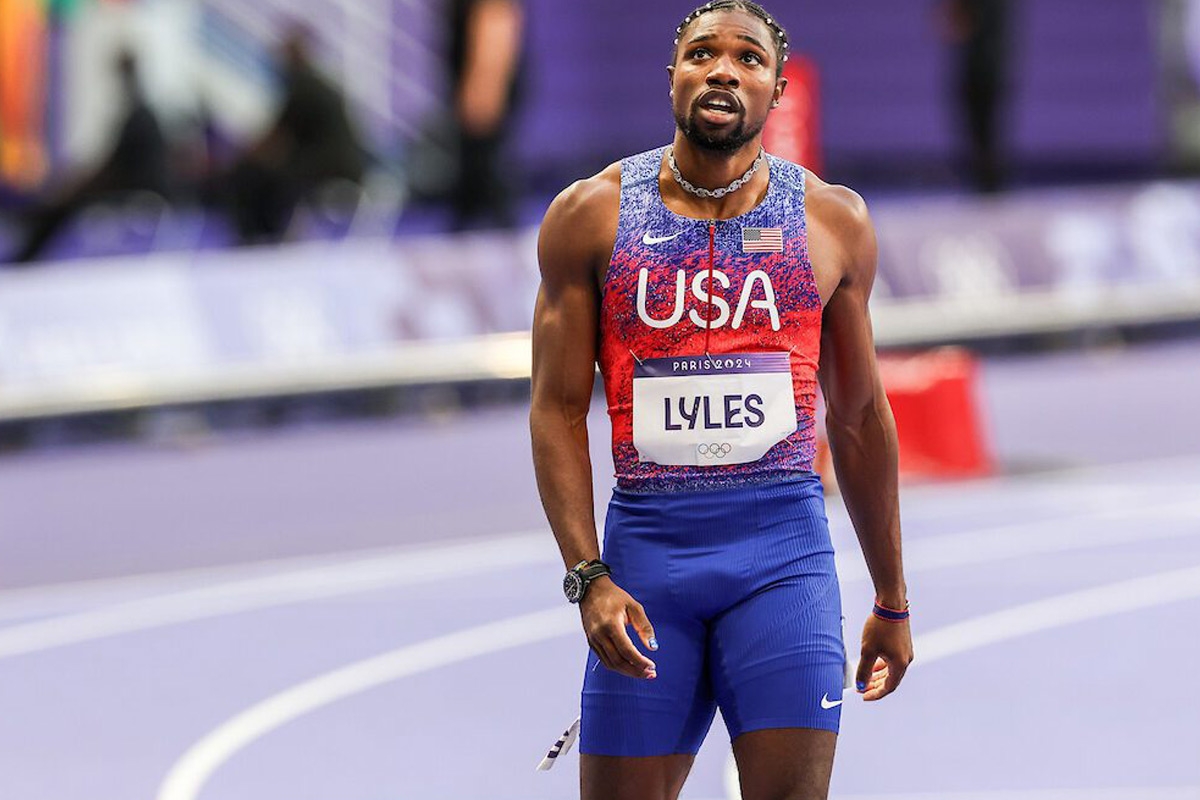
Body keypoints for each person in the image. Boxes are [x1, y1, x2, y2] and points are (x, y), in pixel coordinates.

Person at [529, 3, 913, 799]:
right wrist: (587, 576)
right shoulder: (591, 215)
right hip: (647, 561)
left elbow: (858, 417)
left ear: (777, 90)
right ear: (672, 76)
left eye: (749, 58)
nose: (724, 70)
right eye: (703, 53)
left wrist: (892, 599)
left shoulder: (831, 221)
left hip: (783, 560)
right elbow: (556, 410)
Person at [7, 48, 167, 264]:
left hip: (138, 191)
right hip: (133, 186)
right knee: (65, 199)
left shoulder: (139, 117)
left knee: (65, 204)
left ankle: (26, 257)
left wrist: (79, 185)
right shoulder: (139, 113)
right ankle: (28, 245)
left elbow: (115, 166)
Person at [224, 26, 366, 244]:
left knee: (249, 175)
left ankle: (260, 240)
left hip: (329, 170)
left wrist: (238, 158)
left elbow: (276, 138)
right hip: (341, 167)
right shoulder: (316, 84)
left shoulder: (303, 88)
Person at [447, 0, 524, 230]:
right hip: (481, 77)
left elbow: (496, 23)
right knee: (475, 170)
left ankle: (503, 226)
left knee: (486, 165)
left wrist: (484, 85)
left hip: (487, 83)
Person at [940, 0, 1010, 193]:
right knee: (983, 130)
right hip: (986, 67)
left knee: (983, 129)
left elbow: (962, 27)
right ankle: (987, 182)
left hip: (984, 69)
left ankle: (989, 182)